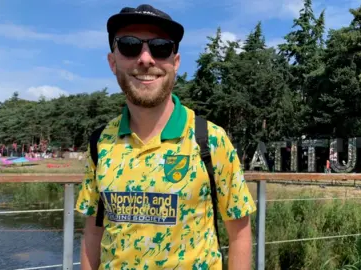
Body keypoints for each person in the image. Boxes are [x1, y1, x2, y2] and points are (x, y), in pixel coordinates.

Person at [75, 4, 256, 270]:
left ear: (176, 62)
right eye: (129, 45)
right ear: (113, 62)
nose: (146, 59)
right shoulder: (100, 143)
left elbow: (239, 234)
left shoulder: (211, 140)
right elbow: (93, 232)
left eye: (160, 47)